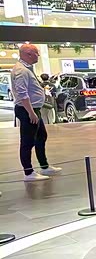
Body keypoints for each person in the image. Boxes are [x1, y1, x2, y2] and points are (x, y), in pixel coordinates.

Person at [10, 45, 61, 182]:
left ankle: (44, 166)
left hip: (33, 109)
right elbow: (22, 93)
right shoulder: (21, 71)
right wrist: (31, 113)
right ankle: (28, 172)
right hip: (28, 110)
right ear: (28, 54)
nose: (38, 55)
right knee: (27, 141)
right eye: (36, 53)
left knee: (41, 137)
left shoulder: (26, 69)